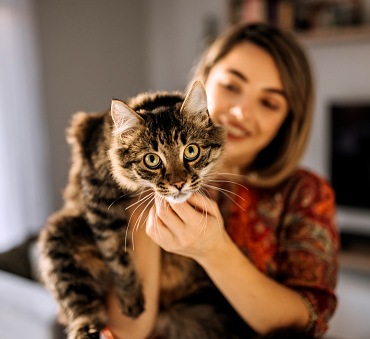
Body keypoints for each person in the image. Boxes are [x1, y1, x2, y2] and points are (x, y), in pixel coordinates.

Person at [103, 22, 339, 339]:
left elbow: (309, 322)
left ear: (288, 119)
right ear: (204, 80)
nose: (240, 113)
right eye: (231, 86)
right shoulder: (139, 182)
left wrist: (213, 251)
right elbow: (125, 332)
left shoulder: (307, 193)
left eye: (268, 102)